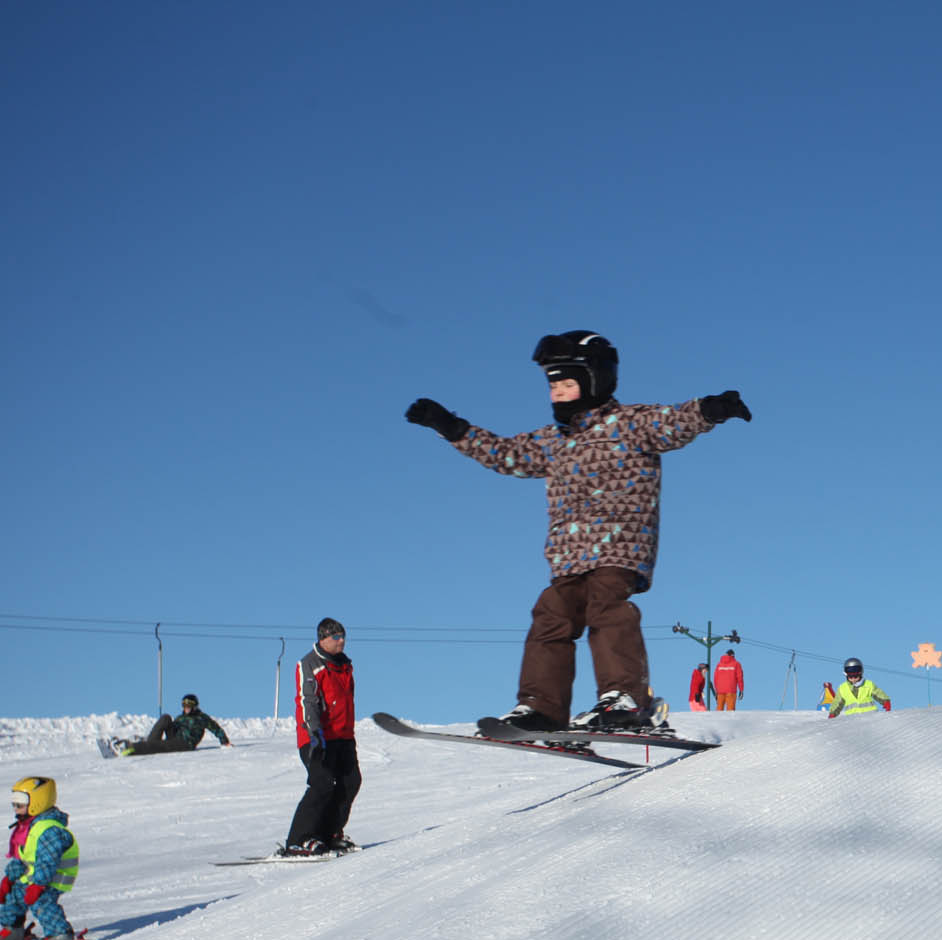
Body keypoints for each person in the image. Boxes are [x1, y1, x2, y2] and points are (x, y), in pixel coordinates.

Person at [405, 330, 752, 733]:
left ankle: (626, 699)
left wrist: (711, 409)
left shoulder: (631, 424)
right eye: (553, 385)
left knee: (607, 609)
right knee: (550, 615)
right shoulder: (553, 442)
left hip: (620, 547)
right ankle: (542, 707)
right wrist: (451, 427)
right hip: (569, 556)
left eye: (568, 384)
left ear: (595, 382)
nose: (559, 394)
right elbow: (505, 455)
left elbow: (673, 422)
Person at [282, 618, 360, 857]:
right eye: (336, 637)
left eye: (343, 636)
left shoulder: (345, 666)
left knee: (351, 782)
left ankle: (330, 833)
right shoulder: (309, 664)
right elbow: (308, 701)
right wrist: (314, 732)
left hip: (343, 737)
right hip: (317, 737)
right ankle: (299, 839)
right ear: (323, 638)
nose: (341, 641)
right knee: (322, 782)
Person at [1, 777, 78, 940]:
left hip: (54, 878)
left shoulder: (50, 830)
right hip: (35, 879)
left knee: (40, 901)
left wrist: (38, 885)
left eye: (20, 803)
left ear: (37, 802)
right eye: (14, 803)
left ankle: (60, 933)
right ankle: (13, 932)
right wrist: (9, 879)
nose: (15, 808)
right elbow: (22, 859)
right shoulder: (28, 827)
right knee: (11, 897)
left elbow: (48, 861)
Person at [111, 693, 232, 757]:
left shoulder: (201, 718)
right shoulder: (181, 717)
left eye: (188, 705)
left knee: (157, 746)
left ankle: (131, 749)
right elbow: (170, 727)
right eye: (184, 704)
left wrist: (224, 741)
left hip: (185, 744)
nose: (186, 707)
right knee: (166, 717)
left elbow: (216, 728)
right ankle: (148, 742)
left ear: (194, 705)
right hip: (175, 738)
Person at [827, 658, 891, 718]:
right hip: (853, 720)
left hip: (871, 717)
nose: (853, 679)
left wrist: (885, 701)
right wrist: (833, 713)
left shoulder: (868, 684)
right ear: (846, 675)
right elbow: (837, 702)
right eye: (850, 677)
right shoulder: (843, 688)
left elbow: (878, 693)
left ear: (860, 673)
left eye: (856, 676)